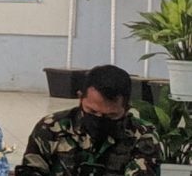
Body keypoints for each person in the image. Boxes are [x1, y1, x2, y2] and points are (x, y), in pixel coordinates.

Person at [15, 65, 159, 176]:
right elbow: (31, 170)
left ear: (127, 107)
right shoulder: (52, 128)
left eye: (111, 116)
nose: (99, 119)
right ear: (80, 97)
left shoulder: (142, 136)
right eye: (92, 111)